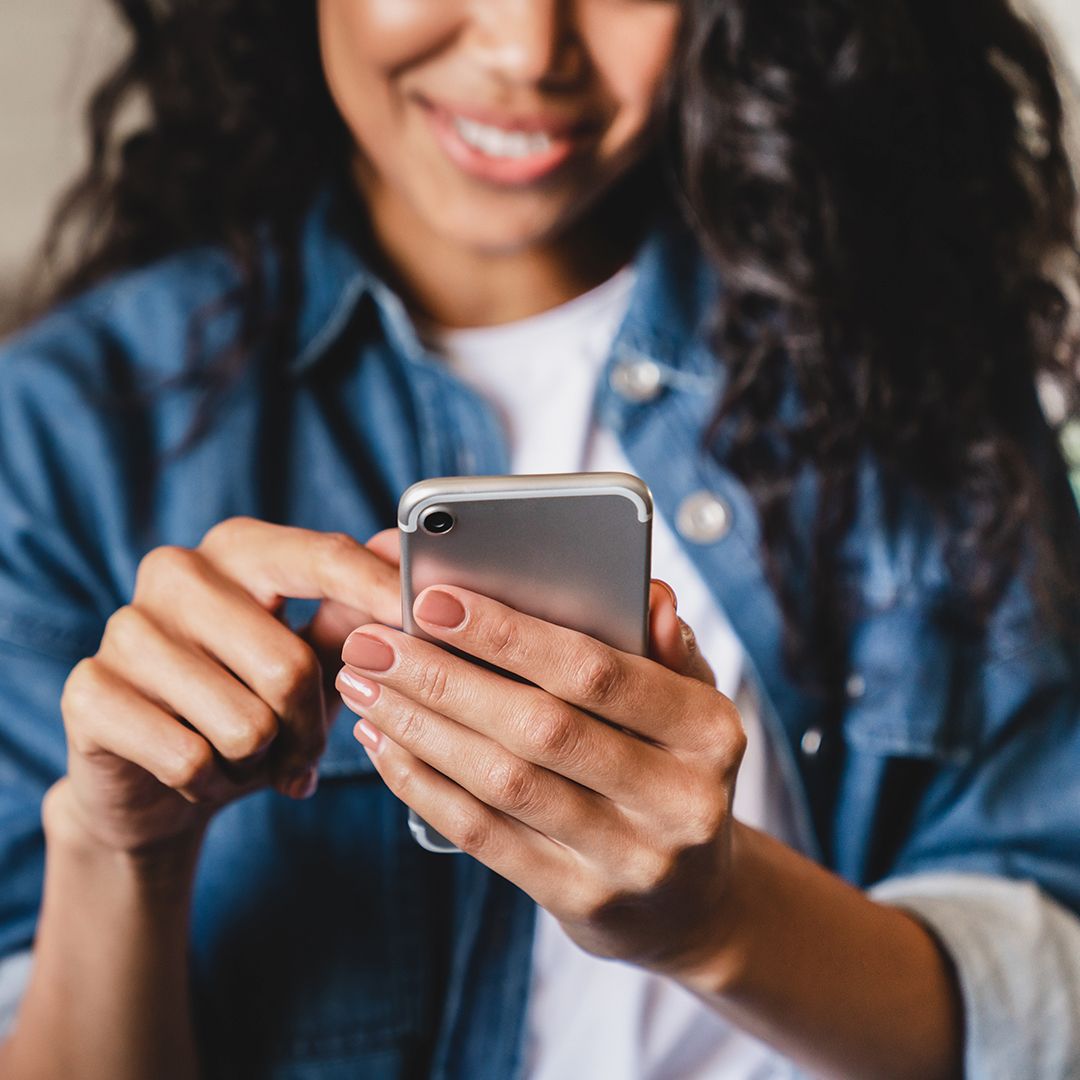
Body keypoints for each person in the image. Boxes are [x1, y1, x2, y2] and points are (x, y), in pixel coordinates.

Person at [1, 1, 1079, 1077]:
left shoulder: (914, 366)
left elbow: (1046, 1004)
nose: (525, 49)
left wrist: (720, 920)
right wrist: (117, 854)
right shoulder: (65, 433)